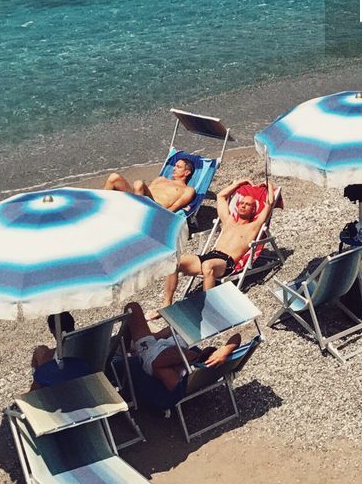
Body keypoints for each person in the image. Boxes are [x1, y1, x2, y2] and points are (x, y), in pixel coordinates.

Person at [158, 181, 278, 309]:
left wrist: (269, 186)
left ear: (254, 210)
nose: (243, 206)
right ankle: (167, 304)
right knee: (174, 261)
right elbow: (220, 196)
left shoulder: (253, 227)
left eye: (247, 204)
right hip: (210, 256)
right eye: (241, 203)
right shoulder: (228, 221)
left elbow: (269, 204)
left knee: (208, 266)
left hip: (226, 262)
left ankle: (208, 307)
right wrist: (238, 183)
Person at [123, 301, 242, 391]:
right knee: (179, 329)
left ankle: (126, 350)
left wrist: (191, 357)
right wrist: (226, 349)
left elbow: (159, 366)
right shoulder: (212, 357)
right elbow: (237, 336)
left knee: (132, 308)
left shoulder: (177, 374)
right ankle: (138, 343)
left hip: (150, 351)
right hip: (172, 343)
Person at [104, 157, 196, 212]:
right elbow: (144, 190)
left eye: (178, 167)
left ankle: (136, 214)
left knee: (138, 183)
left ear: (187, 172)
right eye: (174, 166)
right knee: (114, 177)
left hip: (155, 208)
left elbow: (175, 207)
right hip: (140, 199)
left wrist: (161, 218)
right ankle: (97, 205)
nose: (174, 169)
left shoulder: (188, 190)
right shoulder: (161, 179)